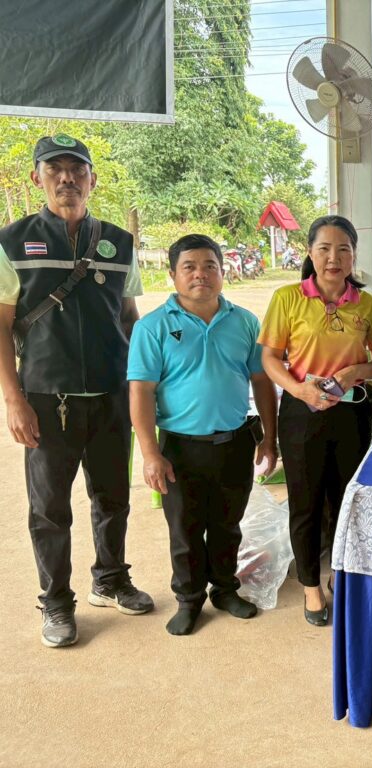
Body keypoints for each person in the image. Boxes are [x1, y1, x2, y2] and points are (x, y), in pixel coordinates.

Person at [0, 134, 153, 648]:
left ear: (92, 178)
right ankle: (56, 602)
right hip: (47, 399)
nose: (66, 177)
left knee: (113, 497)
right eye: (54, 168)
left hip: (112, 395)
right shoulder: (12, 242)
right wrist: (14, 399)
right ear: (37, 178)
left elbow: (129, 318)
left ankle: (109, 579)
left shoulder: (119, 243)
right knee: (50, 508)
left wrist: (142, 388)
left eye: (76, 168)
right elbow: (2, 326)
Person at [128, 234, 279, 636]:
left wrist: (269, 437)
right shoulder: (153, 327)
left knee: (229, 524)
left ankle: (225, 590)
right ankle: (189, 599)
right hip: (179, 448)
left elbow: (261, 380)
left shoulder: (244, 321)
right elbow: (141, 391)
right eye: (190, 267)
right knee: (185, 530)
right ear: (172, 274)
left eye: (210, 266)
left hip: (235, 441)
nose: (201, 275)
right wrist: (150, 453)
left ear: (222, 272)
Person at [258, 215, 372, 626]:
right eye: (324, 249)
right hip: (302, 412)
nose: (334, 258)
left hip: (350, 412)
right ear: (310, 253)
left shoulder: (367, 305)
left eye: (343, 249)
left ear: (353, 255)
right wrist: (299, 390)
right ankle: (311, 585)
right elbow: (269, 359)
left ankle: (339, 574)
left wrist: (355, 371)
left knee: (346, 499)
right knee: (305, 501)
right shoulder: (288, 298)